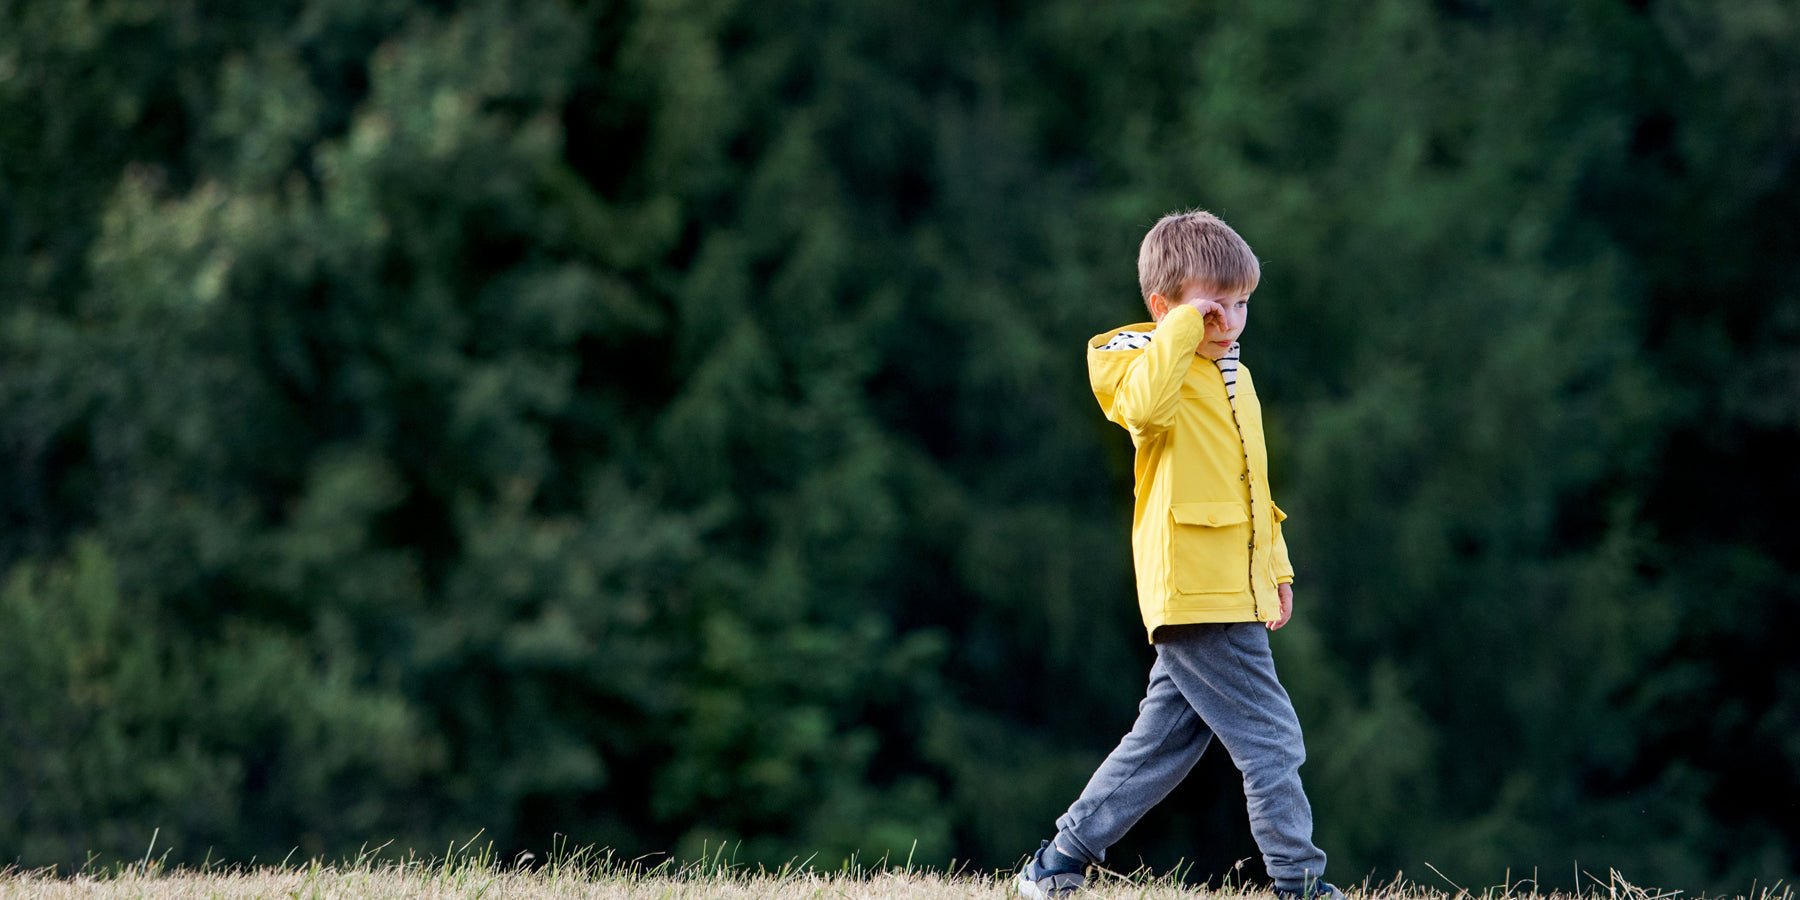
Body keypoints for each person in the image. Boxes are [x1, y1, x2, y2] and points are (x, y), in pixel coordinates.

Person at [1016, 210, 1341, 900]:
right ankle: (1300, 884)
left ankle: (1056, 863)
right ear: (1164, 307)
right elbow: (1143, 412)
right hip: (1195, 589)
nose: (1229, 319)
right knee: (1274, 742)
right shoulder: (1136, 360)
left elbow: (1254, 488)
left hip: (1231, 585)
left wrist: (1274, 569)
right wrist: (1179, 330)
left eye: (1242, 303)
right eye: (1211, 304)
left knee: (1162, 745)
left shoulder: (1235, 379)